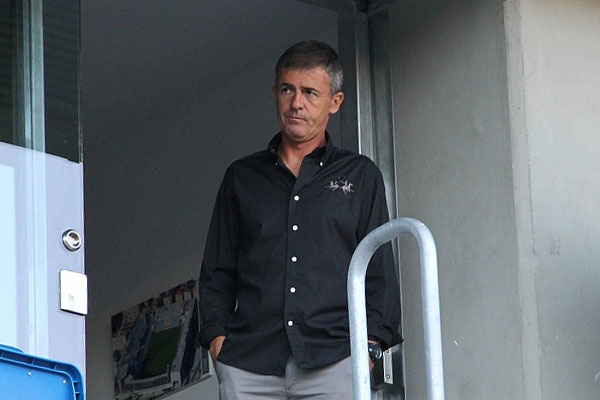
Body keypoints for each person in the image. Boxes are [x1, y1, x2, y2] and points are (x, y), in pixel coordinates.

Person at [198, 40, 401, 399]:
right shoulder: (241, 177)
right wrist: (217, 342)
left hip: (336, 360)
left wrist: (369, 349)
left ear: (334, 102)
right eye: (288, 90)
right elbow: (217, 270)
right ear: (275, 93)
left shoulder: (359, 176)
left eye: (310, 92)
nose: (296, 103)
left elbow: (379, 273)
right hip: (248, 364)